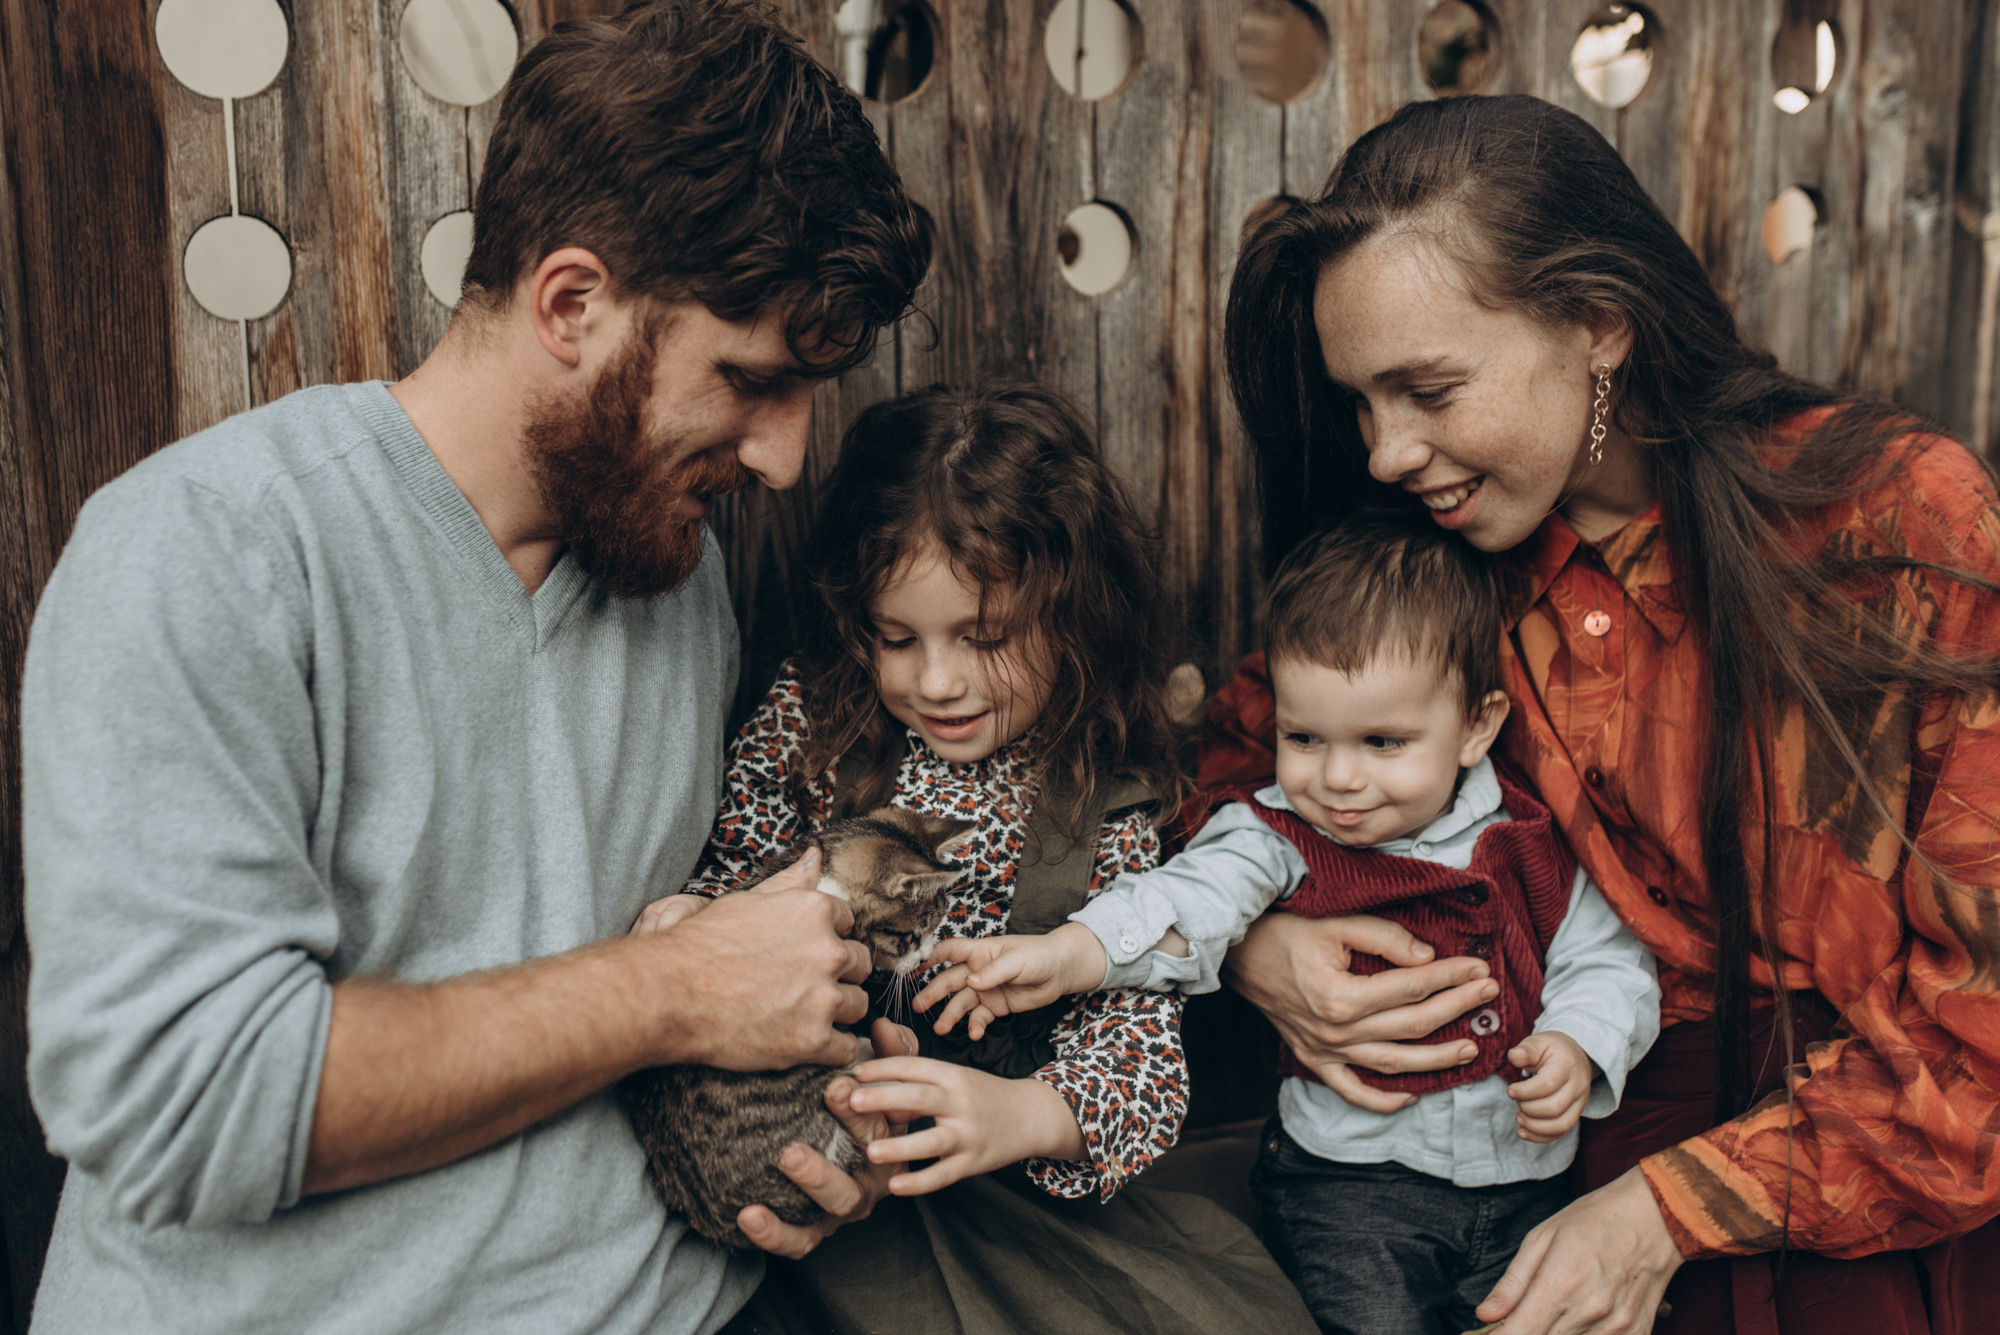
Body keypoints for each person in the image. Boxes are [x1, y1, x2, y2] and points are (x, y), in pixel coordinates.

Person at [20, 5, 928, 1332]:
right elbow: (183, 1103)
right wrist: (677, 988)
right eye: (751, 379)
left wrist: (804, 1091)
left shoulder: (673, 573)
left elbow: (670, 984)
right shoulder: (209, 552)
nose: (788, 458)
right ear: (573, 302)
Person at [1204, 93, 2000, 1334]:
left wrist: (1655, 1215)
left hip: (1858, 1178)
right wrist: (1261, 950)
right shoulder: (1423, 564)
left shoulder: (1893, 529)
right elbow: (1232, 764)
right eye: (1360, 403)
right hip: (1527, 1156)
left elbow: (1987, 1042)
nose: (1382, 452)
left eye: (1425, 388)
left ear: (1598, 323)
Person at [646, 381, 1318, 1334]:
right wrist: (686, 921)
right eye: (895, 636)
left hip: (1006, 1197)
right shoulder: (813, 723)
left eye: (986, 637)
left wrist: (1014, 1116)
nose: (937, 680)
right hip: (808, 1159)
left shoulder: (1101, 796)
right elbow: (732, 872)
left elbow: (1141, 1059)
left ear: (1075, 617)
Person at [919, 510, 1661, 1335]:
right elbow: (1186, 898)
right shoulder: (1273, 832)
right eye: (1303, 737)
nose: (1338, 778)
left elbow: (1608, 957)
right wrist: (1071, 953)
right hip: (1351, 1190)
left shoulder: (1528, 838)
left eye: (1383, 741)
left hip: (1529, 1181)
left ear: (1476, 727)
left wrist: (1579, 1046)